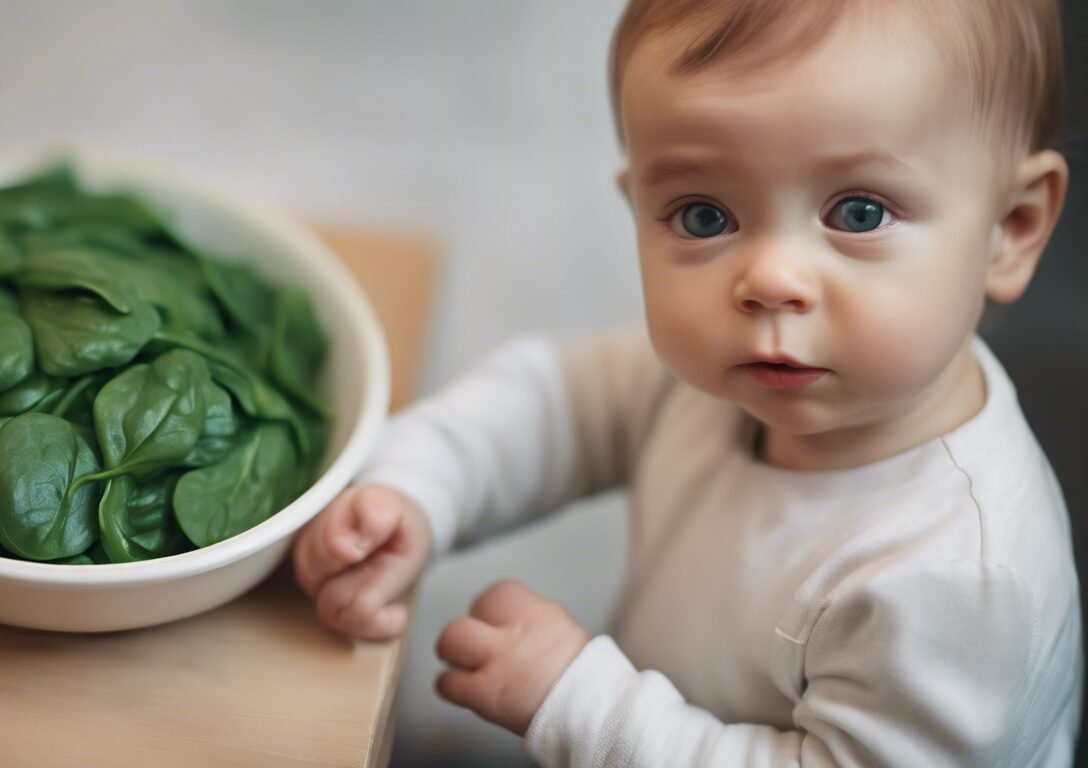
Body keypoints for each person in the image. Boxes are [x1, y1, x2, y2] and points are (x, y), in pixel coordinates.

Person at [292, 0, 1083, 764]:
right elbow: (557, 407)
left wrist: (578, 705)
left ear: (1010, 229)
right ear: (638, 205)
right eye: (706, 216)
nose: (770, 280)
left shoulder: (962, 586)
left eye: (859, 212)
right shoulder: (723, 380)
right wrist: (414, 493)